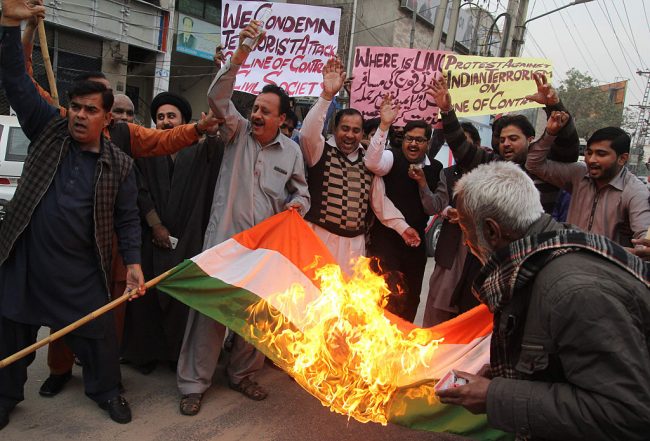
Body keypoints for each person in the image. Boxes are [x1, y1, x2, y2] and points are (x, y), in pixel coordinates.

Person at [0, 0, 146, 428]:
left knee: (98, 336)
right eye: (76, 107)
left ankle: (106, 392)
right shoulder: (49, 128)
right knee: (11, 332)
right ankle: (6, 396)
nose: (80, 115)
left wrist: (134, 264)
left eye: (90, 110)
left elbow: (128, 219)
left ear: (107, 119)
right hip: (26, 260)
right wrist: (11, 26)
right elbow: (14, 79)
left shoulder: (120, 164)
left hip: (81, 269)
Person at [435, 160, 650, 441]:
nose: (466, 242)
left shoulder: (572, 291)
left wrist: (496, 395)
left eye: (465, 230)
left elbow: (627, 412)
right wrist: (510, 376)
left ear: (491, 231)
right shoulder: (547, 256)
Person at [176, 20, 310, 416]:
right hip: (224, 247)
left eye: (266, 112)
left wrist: (296, 207)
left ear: (283, 120)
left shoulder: (291, 153)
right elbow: (219, 96)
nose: (256, 115)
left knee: (256, 317)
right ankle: (193, 384)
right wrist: (240, 54)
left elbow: (301, 192)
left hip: (264, 255)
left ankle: (242, 374)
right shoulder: (234, 132)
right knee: (207, 317)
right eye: (255, 108)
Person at [423, 73, 580, 324]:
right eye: (503, 139)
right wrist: (447, 111)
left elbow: (569, 147)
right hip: (490, 262)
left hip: (530, 265)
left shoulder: (547, 169)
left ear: (531, 140)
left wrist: (554, 105)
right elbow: (462, 150)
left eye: (513, 139)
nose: (506, 144)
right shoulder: (493, 163)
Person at [121, 92, 223, 374]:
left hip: (189, 236)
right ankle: (145, 354)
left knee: (180, 301)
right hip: (151, 235)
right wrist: (155, 224)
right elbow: (138, 189)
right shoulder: (146, 152)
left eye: (172, 116)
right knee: (148, 298)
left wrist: (212, 133)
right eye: (161, 117)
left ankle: (177, 354)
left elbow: (217, 153)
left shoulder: (199, 151)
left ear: (184, 120)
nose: (166, 122)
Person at [300, 57, 415, 274]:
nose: (350, 135)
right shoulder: (318, 151)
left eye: (356, 130)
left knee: (348, 303)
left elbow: (381, 204)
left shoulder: (368, 164)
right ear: (335, 129)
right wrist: (326, 96)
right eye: (345, 128)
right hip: (318, 240)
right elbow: (307, 133)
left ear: (362, 133)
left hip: (354, 247)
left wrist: (403, 227)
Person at [364, 94, 442, 322]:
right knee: (384, 301)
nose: (413, 144)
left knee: (410, 300)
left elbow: (434, 207)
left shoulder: (435, 168)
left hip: (416, 246)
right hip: (385, 242)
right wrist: (384, 124)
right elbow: (372, 162)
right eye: (409, 138)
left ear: (428, 143)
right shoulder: (391, 158)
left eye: (419, 140)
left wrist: (422, 183)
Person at [526, 118, 650, 246]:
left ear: (622, 159)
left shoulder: (634, 190)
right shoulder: (579, 174)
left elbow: (643, 237)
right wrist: (550, 133)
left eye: (601, 154)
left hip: (607, 264)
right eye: (589, 153)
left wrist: (636, 251)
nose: (591, 160)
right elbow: (534, 164)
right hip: (567, 258)